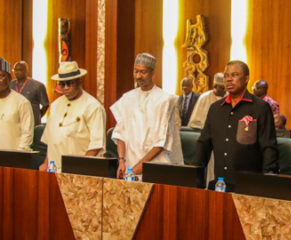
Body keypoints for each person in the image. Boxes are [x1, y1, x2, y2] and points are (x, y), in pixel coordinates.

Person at [192, 61, 278, 190]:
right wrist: (194, 177)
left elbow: (268, 147)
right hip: (220, 185)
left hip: (249, 186)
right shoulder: (215, 108)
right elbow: (203, 144)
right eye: (226, 76)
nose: (229, 79)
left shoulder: (260, 108)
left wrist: (268, 182)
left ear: (246, 79)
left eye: (235, 75)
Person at [111, 53, 183, 179]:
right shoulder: (127, 98)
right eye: (136, 71)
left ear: (152, 73)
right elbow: (120, 134)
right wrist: (121, 160)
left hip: (155, 166)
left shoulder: (165, 100)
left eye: (143, 72)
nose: (138, 76)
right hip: (129, 164)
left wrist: (139, 167)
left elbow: (161, 142)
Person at [39, 61, 106, 171]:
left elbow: (96, 145)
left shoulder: (93, 106)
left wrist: (80, 168)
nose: (65, 87)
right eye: (62, 84)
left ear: (80, 81)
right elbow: (50, 141)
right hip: (54, 170)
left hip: (80, 171)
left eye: (69, 83)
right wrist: (45, 163)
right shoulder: (55, 105)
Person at [0, 57, 34, 160]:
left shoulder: (21, 102)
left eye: (0, 76)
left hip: (12, 160)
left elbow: (27, 134)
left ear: (9, 78)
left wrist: (18, 156)